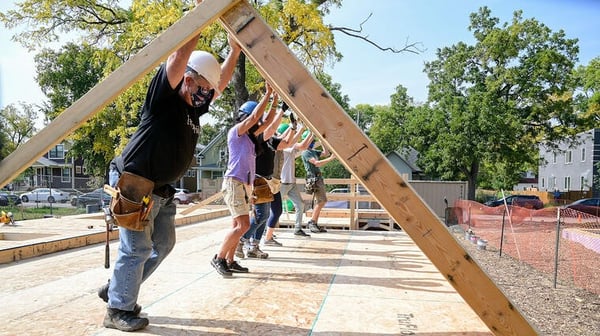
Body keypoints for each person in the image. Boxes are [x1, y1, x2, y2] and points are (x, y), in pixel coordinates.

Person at [97, 22, 242, 331]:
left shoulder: (193, 110)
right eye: (201, 87)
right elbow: (178, 56)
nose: (207, 94)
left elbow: (222, 83)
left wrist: (235, 50)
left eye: (208, 90)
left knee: (163, 244)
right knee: (135, 249)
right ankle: (118, 309)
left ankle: (116, 289)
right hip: (134, 182)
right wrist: (200, 19)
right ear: (187, 80)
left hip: (161, 190)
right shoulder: (164, 97)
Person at [211, 85, 279, 275]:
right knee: (244, 225)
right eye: (254, 119)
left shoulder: (251, 138)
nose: (258, 123)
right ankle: (219, 258)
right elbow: (256, 118)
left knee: (237, 226)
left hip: (244, 185)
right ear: (245, 117)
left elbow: (268, 123)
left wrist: (274, 101)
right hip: (234, 182)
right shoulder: (236, 132)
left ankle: (230, 261)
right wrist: (267, 94)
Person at [239, 97, 296, 257]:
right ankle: (242, 241)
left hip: (265, 180)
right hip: (258, 179)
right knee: (261, 215)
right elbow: (271, 128)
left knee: (263, 216)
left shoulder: (266, 137)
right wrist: (281, 110)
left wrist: (293, 127)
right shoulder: (252, 136)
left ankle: (253, 247)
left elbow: (285, 143)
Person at [277, 121, 313, 237]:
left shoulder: (290, 145)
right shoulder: (282, 146)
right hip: (282, 182)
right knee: (274, 208)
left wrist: (312, 133)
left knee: (300, 204)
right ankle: (265, 231)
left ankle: (297, 228)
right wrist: (302, 129)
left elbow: (303, 146)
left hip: (291, 182)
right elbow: (301, 146)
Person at [301, 136, 336, 233]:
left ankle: (314, 222)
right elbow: (317, 163)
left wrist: (322, 142)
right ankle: (312, 222)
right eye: (311, 140)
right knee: (321, 201)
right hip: (314, 179)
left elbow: (326, 153)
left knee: (322, 201)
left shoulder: (313, 151)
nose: (312, 142)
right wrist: (331, 159)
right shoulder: (306, 152)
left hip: (317, 178)